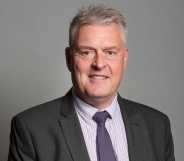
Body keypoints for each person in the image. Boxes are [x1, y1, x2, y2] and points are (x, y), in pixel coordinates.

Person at [8, 5, 175, 161]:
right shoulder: (31, 129)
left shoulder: (157, 127)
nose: (99, 64)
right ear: (69, 58)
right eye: (86, 52)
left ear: (124, 59)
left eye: (110, 52)